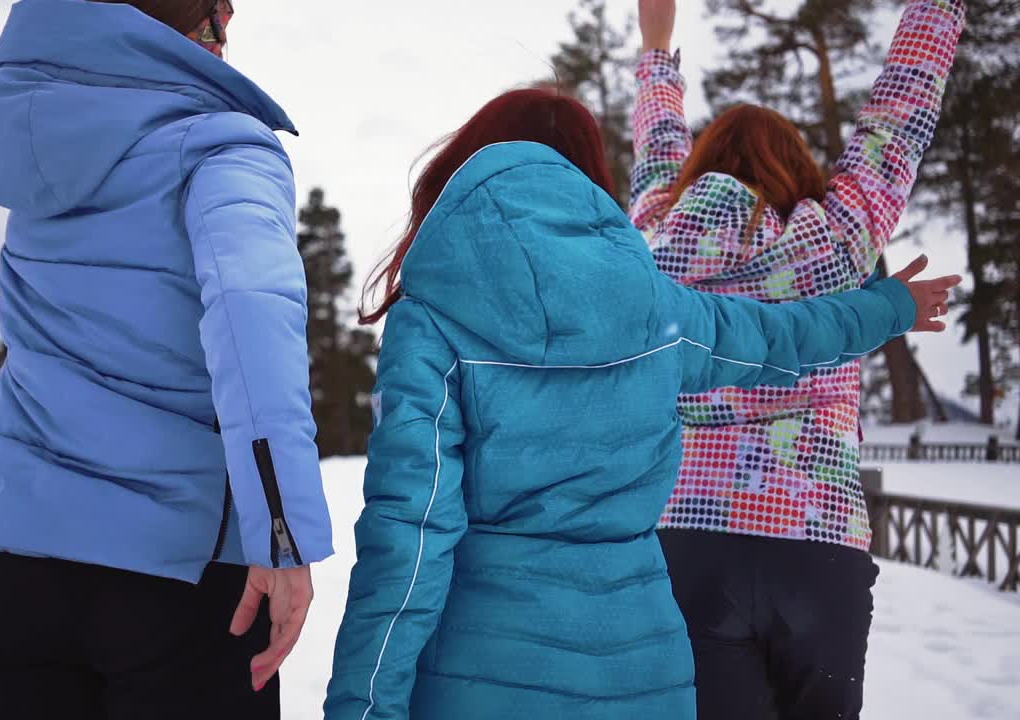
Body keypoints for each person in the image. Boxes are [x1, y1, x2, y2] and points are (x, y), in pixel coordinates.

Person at [322, 86, 960, 720]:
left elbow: (407, 535)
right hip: (641, 678)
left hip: (479, 675)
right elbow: (781, 337)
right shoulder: (653, 306)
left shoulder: (432, 319)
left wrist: (362, 704)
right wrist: (890, 306)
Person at [0, 1, 332, 718]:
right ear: (178, 29)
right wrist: (282, 536)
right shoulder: (222, 148)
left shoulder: (42, 142)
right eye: (217, 20)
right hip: (171, 596)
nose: (224, 43)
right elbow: (251, 318)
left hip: (5, 588)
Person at [630, 1, 965, 717]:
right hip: (820, 544)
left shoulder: (658, 233)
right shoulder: (841, 237)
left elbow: (658, 146)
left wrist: (657, 48)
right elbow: (899, 113)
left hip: (687, 542)